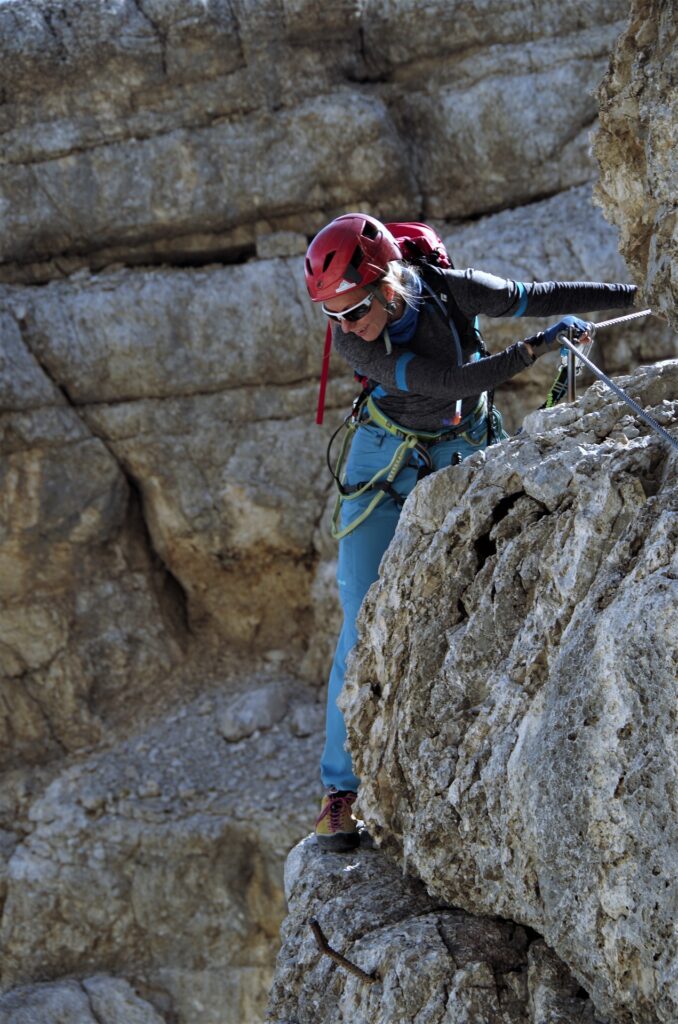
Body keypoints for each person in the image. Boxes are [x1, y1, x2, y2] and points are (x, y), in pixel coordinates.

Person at [304, 212, 637, 852]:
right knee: (358, 611)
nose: (344, 328)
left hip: (466, 445)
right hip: (386, 464)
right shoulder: (356, 345)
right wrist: (536, 349)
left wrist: (647, 292)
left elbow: (543, 297)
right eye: (333, 316)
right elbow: (450, 382)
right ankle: (341, 791)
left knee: (505, 583)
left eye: (352, 310)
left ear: (386, 284)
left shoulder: (453, 289)